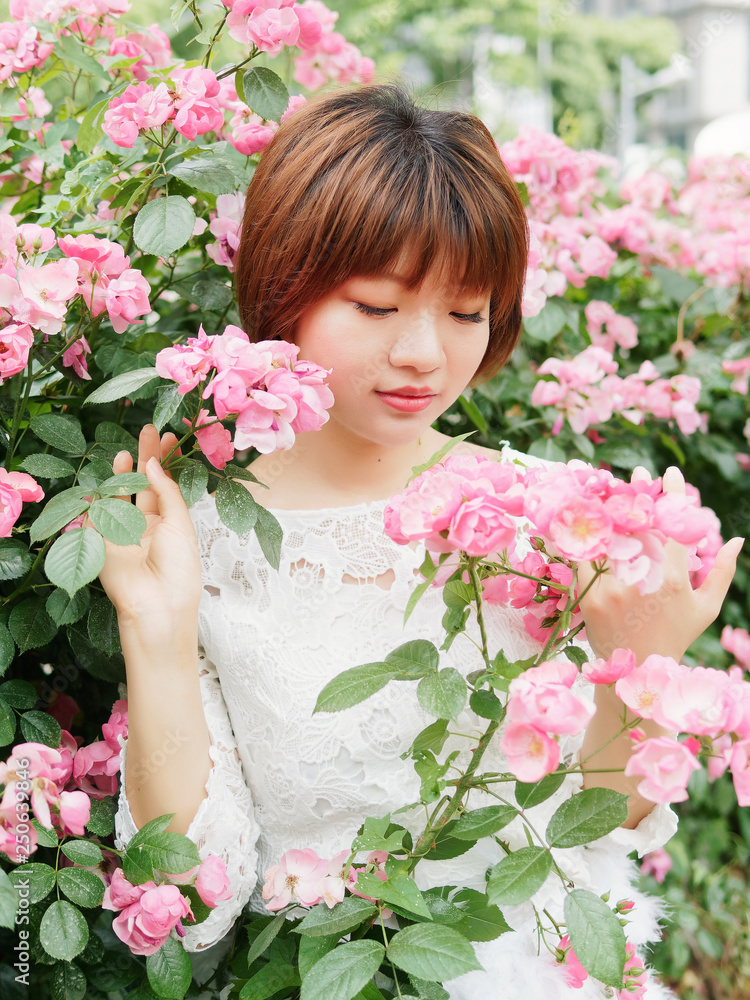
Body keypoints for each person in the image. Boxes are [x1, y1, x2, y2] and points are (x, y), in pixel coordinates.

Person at [100, 85, 742, 997]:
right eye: (375, 306)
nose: (424, 356)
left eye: (466, 312)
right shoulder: (205, 538)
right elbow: (190, 908)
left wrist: (638, 668)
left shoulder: (546, 518)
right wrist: (156, 642)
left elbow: (586, 844)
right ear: (284, 286)